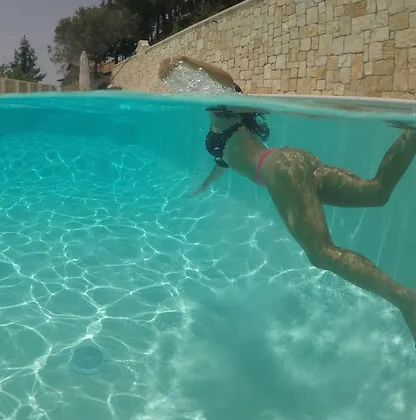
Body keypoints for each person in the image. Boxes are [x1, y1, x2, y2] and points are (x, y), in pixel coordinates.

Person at [159, 55, 416, 345]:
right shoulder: (220, 124)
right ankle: (411, 133)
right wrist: (203, 187)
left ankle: (406, 300)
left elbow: (227, 81)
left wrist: (186, 60)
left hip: (280, 170)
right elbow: (223, 163)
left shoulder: (227, 111)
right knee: (376, 192)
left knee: (321, 253)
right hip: (292, 160)